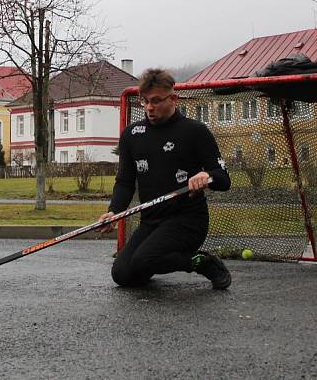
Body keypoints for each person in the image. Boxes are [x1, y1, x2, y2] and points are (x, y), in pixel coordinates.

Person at [97, 68, 232, 289]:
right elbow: (125, 182)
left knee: (144, 259)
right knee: (122, 274)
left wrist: (206, 176)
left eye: (157, 101)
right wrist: (114, 212)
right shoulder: (132, 135)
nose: (150, 107)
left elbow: (223, 179)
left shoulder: (195, 131)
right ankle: (150, 260)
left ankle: (202, 262)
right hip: (151, 221)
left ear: (173, 99)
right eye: (145, 101)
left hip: (188, 221)